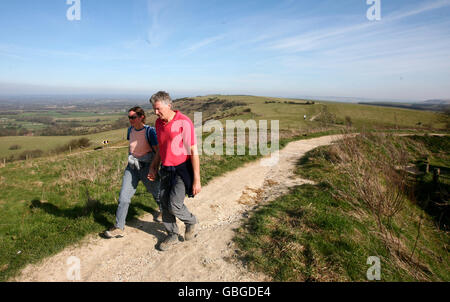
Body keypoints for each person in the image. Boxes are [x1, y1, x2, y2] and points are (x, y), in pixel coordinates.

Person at [147, 91, 201, 251]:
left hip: (182, 170)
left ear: (168, 105)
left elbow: (193, 151)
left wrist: (197, 180)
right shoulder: (158, 123)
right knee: (164, 204)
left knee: (174, 204)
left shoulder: (184, 122)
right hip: (166, 169)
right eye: (154, 109)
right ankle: (172, 234)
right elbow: (161, 148)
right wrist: (153, 166)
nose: (155, 113)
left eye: (158, 109)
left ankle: (191, 221)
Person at [104, 106, 161, 238]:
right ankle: (119, 227)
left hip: (147, 166)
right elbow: (132, 147)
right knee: (123, 197)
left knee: (157, 193)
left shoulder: (150, 132)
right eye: (129, 117)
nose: (130, 120)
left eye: (133, 117)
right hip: (132, 167)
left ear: (141, 117)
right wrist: (131, 158)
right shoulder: (130, 130)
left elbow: (158, 151)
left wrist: (154, 168)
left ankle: (164, 211)